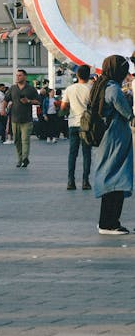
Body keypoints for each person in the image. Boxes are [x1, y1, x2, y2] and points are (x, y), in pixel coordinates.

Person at [92, 55, 134, 235]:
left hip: (106, 138)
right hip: (115, 139)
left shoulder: (100, 85)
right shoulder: (113, 88)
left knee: (109, 175)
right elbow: (126, 112)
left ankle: (105, 222)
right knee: (117, 178)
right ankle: (110, 223)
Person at [60, 65, 92, 191]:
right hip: (86, 125)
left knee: (72, 154)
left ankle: (70, 181)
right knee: (86, 154)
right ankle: (85, 181)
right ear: (88, 75)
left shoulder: (70, 89)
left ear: (77, 75)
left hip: (73, 124)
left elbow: (63, 107)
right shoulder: (91, 89)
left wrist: (68, 110)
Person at [2, 68, 40, 168]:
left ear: (25, 77)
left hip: (27, 119)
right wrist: (3, 109)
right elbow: (6, 100)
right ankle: (19, 159)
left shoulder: (31, 89)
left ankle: (25, 158)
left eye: (20, 75)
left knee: (25, 140)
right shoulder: (13, 88)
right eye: (17, 75)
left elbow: (38, 101)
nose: (18, 77)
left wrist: (28, 101)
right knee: (17, 140)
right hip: (14, 119)